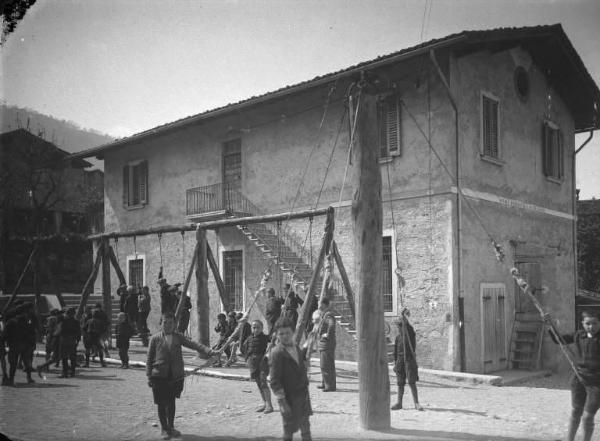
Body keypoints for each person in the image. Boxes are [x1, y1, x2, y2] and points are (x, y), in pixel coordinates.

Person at [146, 311, 215, 440]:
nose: (168, 325)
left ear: (174, 324)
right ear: (161, 323)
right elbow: (149, 358)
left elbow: (194, 344)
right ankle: (164, 429)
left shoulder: (178, 337)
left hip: (175, 376)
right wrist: (149, 376)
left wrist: (209, 351)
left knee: (171, 403)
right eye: (165, 322)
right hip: (159, 376)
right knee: (161, 403)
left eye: (171, 323)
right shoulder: (155, 338)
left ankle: (171, 427)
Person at [547, 310, 600, 441]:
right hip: (579, 379)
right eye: (588, 323)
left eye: (595, 323)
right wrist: (549, 325)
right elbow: (558, 339)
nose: (591, 327)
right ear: (583, 323)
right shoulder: (578, 335)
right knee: (576, 412)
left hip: (597, 383)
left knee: (588, 416)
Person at [269, 316, 312, 441]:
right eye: (281, 333)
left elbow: (300, 366)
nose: (285, 336)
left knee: (305, 426)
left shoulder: (296, 348)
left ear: (293, 333)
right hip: (288, 398)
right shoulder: (277, 353)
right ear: (276, 335)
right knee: (288, 429)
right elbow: (274, 380)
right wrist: (282, 402)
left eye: (288, 333)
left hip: (302, 395)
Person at [391, 308, 423, 411]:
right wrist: (395, 364)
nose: (399, 328)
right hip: (400, 362)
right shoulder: (398, 338)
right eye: (398, 326)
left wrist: (405, 321)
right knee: (400, 383)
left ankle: (416, 403)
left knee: (412, 382)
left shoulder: (410, 335)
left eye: (400, 326)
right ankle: (399, 403)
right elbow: (395, 353)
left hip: (409, 360)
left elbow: (410, 329)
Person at [242, 320, 273, 413]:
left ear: (262, 328)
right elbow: (245, 349)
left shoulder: (265, 337)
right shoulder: (249, 338)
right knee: (259, 384)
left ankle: (269, 406)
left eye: (257, 327)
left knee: (263, 383)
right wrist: (247, 359)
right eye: (253, 327)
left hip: (262, 363)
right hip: (253, 363)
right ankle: (265, 403)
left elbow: (275, 339)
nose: (255, 329)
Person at [316, 298, 336, 392]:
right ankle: (325, 383)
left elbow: (331, 325)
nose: (319, 305)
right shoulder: (324, 314)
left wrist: (326, 335)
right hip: (324, 344)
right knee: (324, 364)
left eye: (320, 303)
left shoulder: (328, 315)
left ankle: (330, 386)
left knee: (326, 365)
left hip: (326, 344)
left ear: (324, 304)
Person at [57, 307, 81, 378]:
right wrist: (77, 341)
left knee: (64, 358)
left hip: (64, 340)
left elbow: (60, 331)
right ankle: (72, 372)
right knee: (72, 358)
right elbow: (78, 332)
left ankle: (65, 373)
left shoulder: (63, 321)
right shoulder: (76, 322)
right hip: (72, 341)